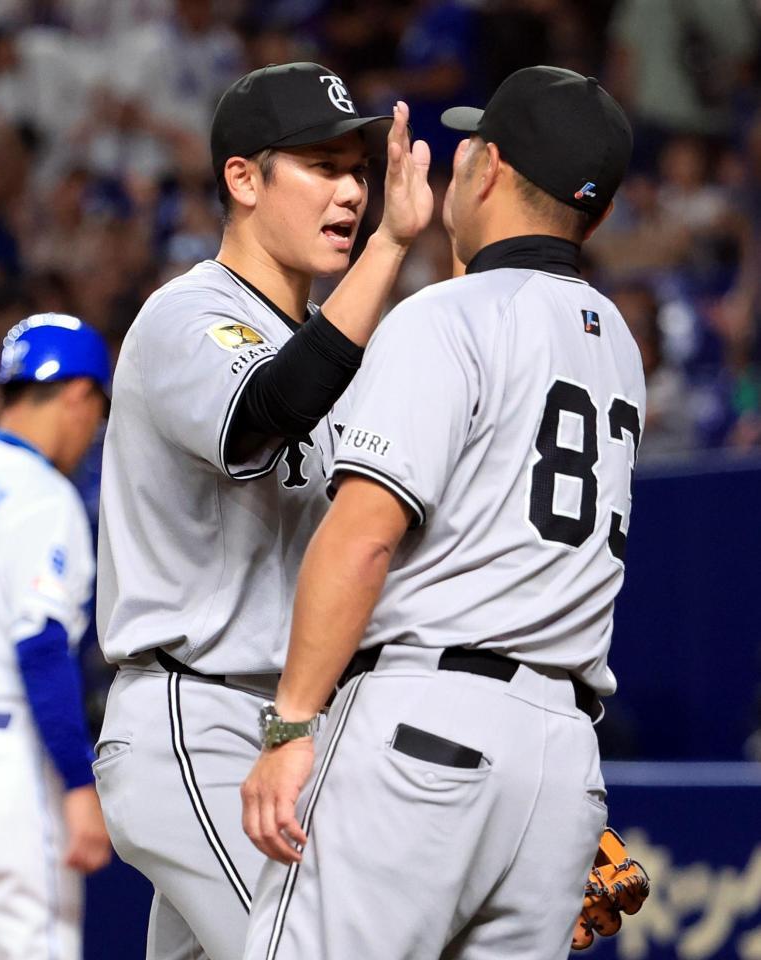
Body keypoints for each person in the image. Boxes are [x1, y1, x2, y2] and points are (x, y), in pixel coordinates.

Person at [240, 65, 644, 960]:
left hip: (427, 731)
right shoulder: (617, 342)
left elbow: (364, 537)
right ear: (599, 213)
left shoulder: (442, 319)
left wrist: (291, 725)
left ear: (487, 169)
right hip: (561, 767)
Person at [93, 61, 432, 960]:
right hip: (193, 717)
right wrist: (392, 250)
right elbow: (263, 414)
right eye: (321, 166)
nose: (352, 190)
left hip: (286, 733)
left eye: (357, 168)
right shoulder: (186, 313)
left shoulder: (328, 350)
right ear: (243, 178)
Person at [0, 313, 112, 960]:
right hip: (4, 765)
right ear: (79, 396)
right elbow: (41, 651)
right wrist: (79, 786)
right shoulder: (42, 495)